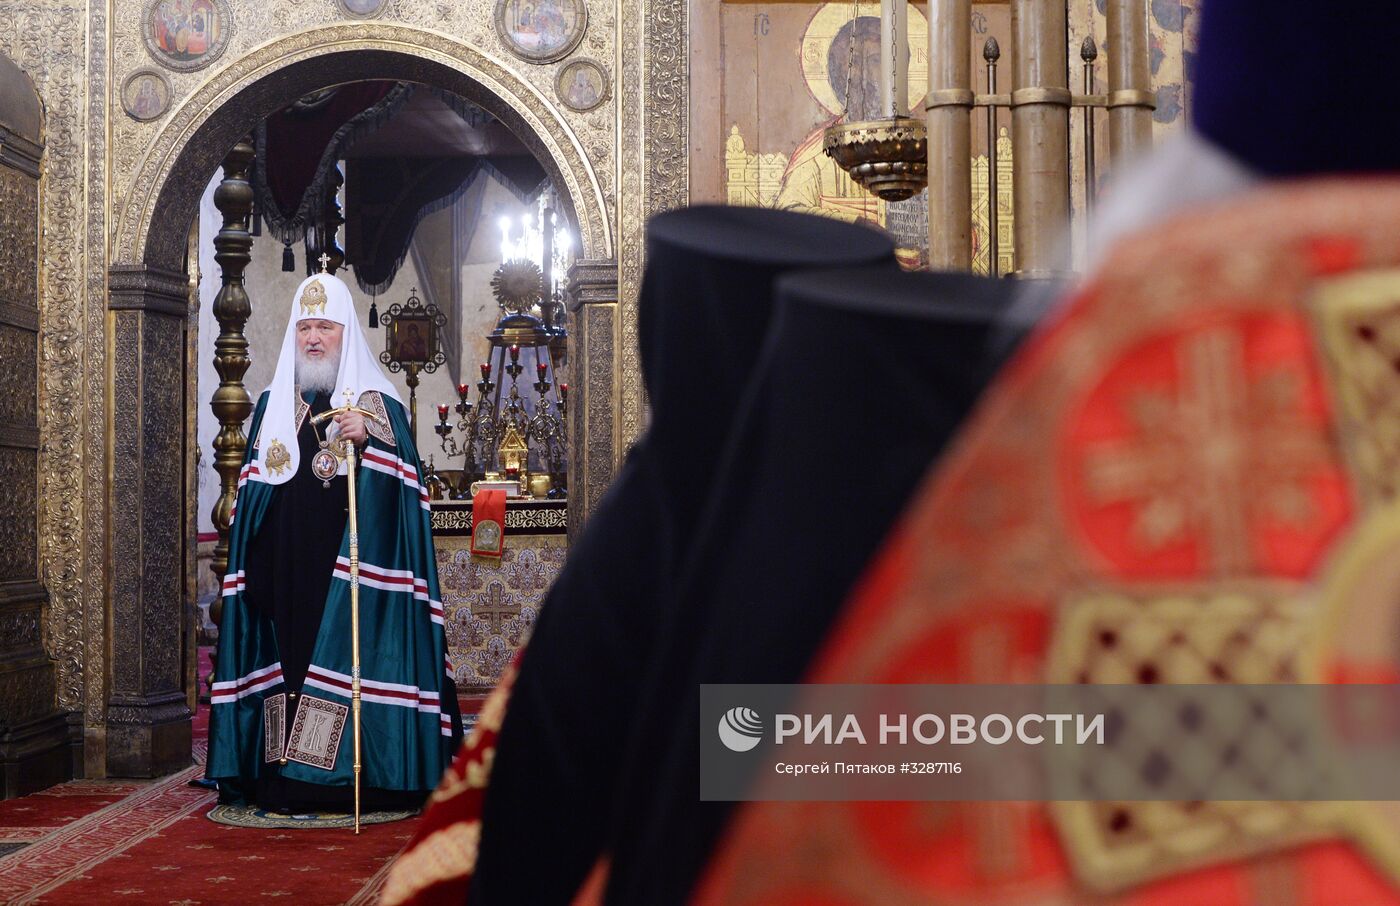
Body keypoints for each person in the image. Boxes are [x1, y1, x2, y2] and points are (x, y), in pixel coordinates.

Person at [208, 269, 461, 814]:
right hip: (286, 573)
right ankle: (286, 774)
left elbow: (407, 500)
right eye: (305, 328)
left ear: (346, 330)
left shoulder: (377, 404)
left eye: (325, 326)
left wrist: (368, 442)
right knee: (290, 668)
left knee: (345, 668)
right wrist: (253, 566)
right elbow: (253, 492)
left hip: (354, 579)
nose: (314, 337)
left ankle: (355, 778)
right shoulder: (276, 403)